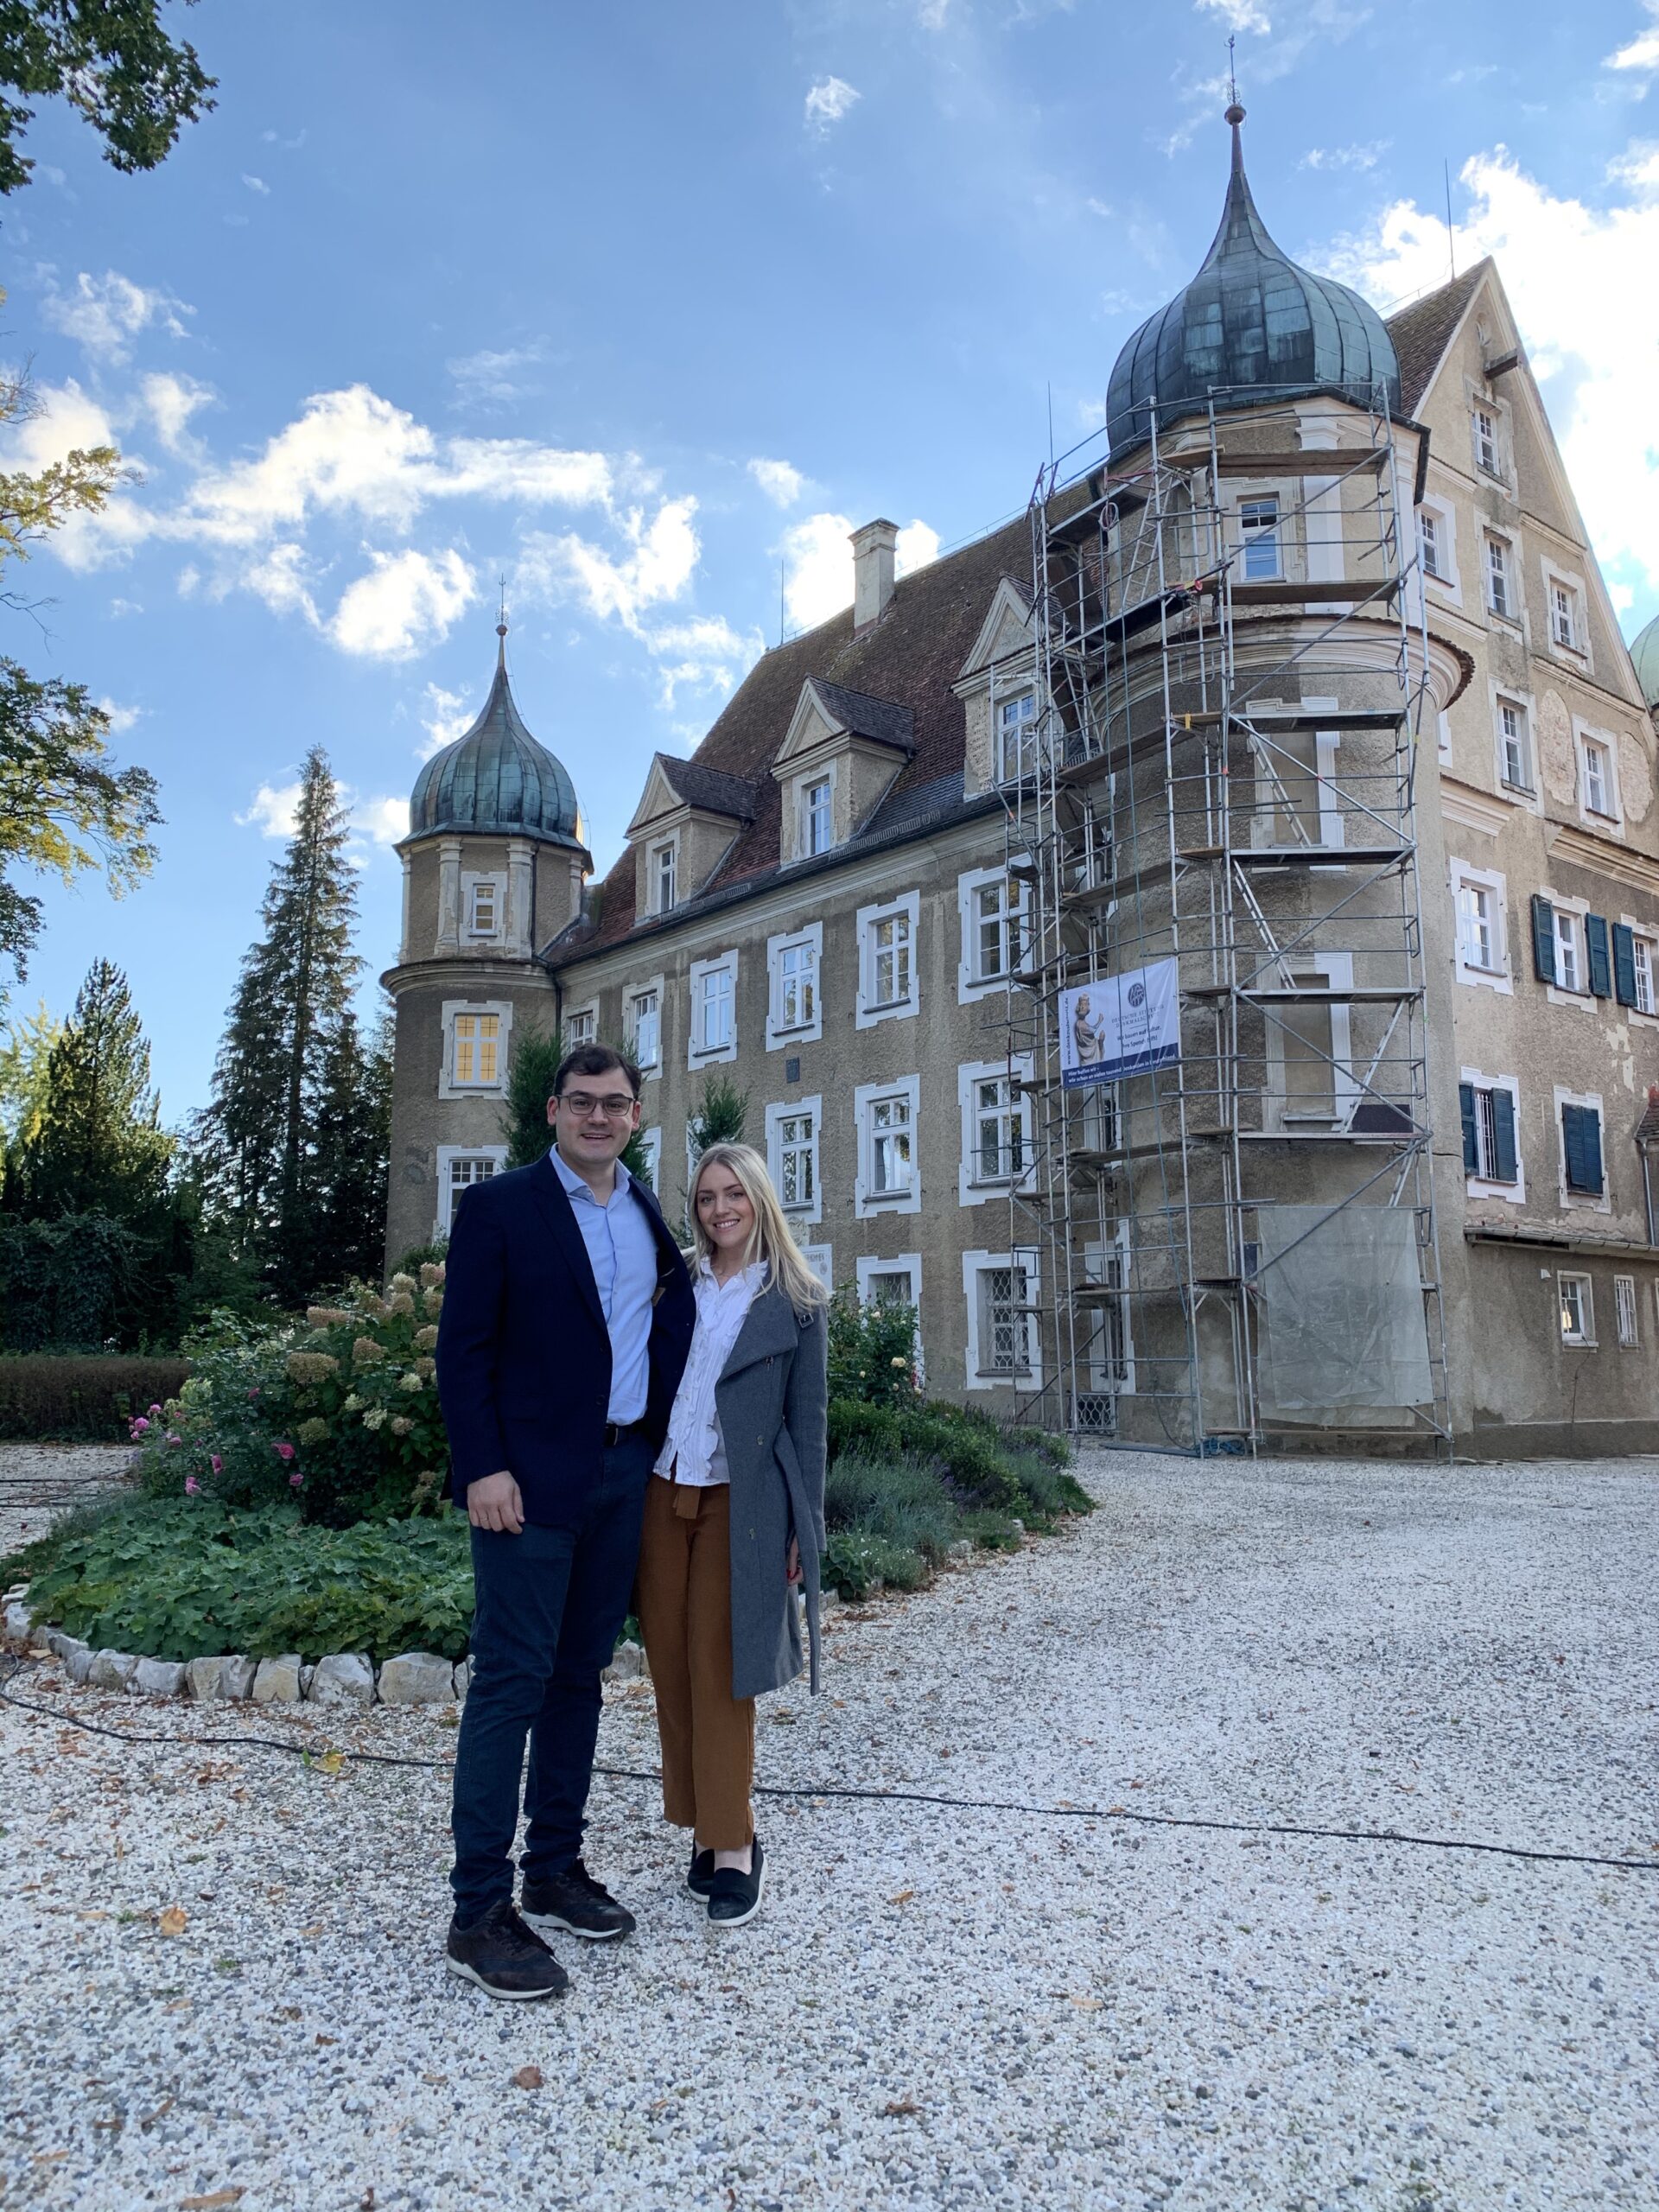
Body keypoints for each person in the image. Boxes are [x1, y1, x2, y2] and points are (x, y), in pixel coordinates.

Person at [436, 1043, 695, 2000]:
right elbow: (462, 1351)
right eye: (581, 1102)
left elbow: (661, 1326)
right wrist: (483, 1467)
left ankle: (552, 1867)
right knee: (511, 1679)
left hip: (621, 1471)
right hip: (526, 1483)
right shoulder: (501, 1206)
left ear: (636, 1115)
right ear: (553, 1110)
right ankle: (476, 1909)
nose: (598, 1116)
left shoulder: (642, 1210)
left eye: (615, 1103)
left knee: (579, 1677)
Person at [635, 1141, 829, 1929]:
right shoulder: (673, 1283)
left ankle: (735, 1842)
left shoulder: (797, 1299)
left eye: (733, 1195)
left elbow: (808, 1425)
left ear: (759, 1199)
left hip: (738, 1502)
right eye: (707, 1198)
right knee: (672, 1667)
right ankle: (704, 1824)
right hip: (660, 1489)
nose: (720, 1210)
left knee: (723, 1670)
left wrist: (801, 1529)